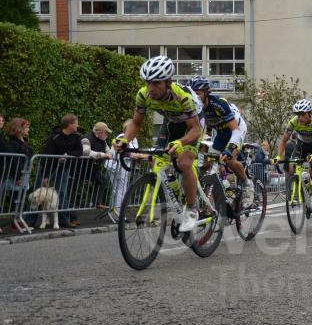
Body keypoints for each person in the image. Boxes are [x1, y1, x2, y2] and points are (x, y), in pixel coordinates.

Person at [114, 56, 203, 232]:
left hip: (193, 124)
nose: (151, 88)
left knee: (184, 162)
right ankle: (176, 188)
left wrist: (181, 142)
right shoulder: (143, 95)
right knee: (158, 160)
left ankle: (192, 209)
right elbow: (136, 123)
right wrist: (125, 139)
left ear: (168, 82)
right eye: (148, 83)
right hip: (171, 122)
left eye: (156, 83)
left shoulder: (183, 97)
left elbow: (195, 130)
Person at [187, 76, 254, 207]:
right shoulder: (193, 107)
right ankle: (224, 186)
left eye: (198, 93)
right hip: (220, 132)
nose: (195, 97)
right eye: (193, 93)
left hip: (236, 129)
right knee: (206, 163)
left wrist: (230, 149)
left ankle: (247, 184)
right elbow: (199, 131)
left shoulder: (218, 103)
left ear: (206, 93)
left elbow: (235, 129)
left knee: (228, 159)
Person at [275, 99, 312, 219]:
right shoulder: (293, 122)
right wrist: (278, 156)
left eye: (303, 115)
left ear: (309, 113)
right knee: (292, 167)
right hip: (302, 145)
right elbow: (283, 140)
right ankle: (302, 189)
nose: (300, 118)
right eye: (298, 115)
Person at [40, 114, 84, 228]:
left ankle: (64, 220)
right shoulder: (54, 138)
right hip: (49, 167)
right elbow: (47, 157)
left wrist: (67, 155)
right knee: (40, 192)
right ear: (70, 124)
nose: (77, 125)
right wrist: (45, 175)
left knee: (63, 193)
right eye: (76, 123)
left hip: (63, 168)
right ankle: (30, 219)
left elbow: (79, 151)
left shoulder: (76, 136)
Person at [82, 122, 113, 210]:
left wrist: (109, 154)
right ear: (100, 132)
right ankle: (71, 214)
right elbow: (86, 152)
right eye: (106, 132)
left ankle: (96, 203)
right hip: (80, 168)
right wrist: (103, 155)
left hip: (93, 168)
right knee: (73, 188)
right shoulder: (86, 139)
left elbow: (109, 151)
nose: (107, 134)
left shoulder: (103, 140)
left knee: (102, 180)